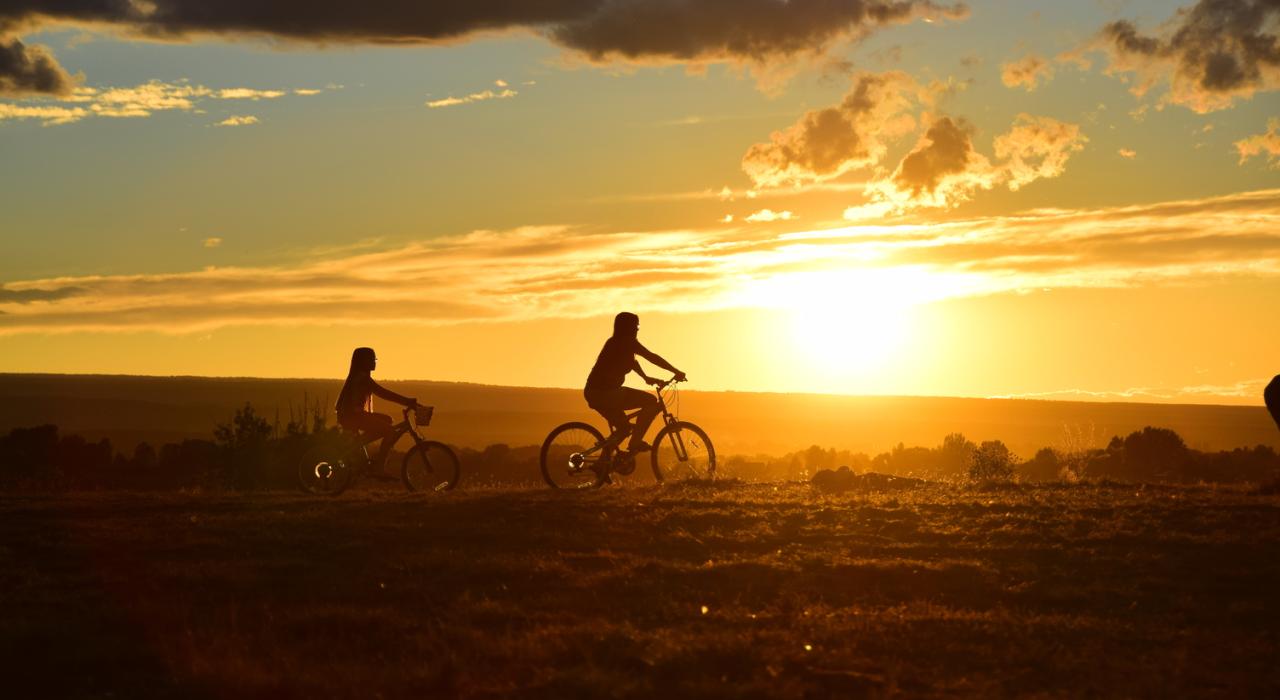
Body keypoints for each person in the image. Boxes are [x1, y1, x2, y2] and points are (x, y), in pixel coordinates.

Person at [584, 312, 686, 460]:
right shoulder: (627, 342)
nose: (638, 329)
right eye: (636, 325)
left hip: (595, 393)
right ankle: (635, 443)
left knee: (624, 429)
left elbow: (632, 362)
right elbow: (651, 357)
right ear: (628, 327)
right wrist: (676, 371)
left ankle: (601, 466)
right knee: (650, 401)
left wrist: (646, 377)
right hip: (606, 393)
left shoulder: (616, 342)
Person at [335, 347, 418, 472]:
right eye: (371, 359)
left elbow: (382, 393)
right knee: (389, 431)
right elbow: (383, 393)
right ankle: (379, 467)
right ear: (363, 361)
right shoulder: (361, 378)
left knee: (388, 420)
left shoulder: (359, 376)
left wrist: (407, 401)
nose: (374, 362)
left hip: (351, 415)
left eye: (375, 359)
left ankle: (359, 443)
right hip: (353, 416)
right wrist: (407, 401)